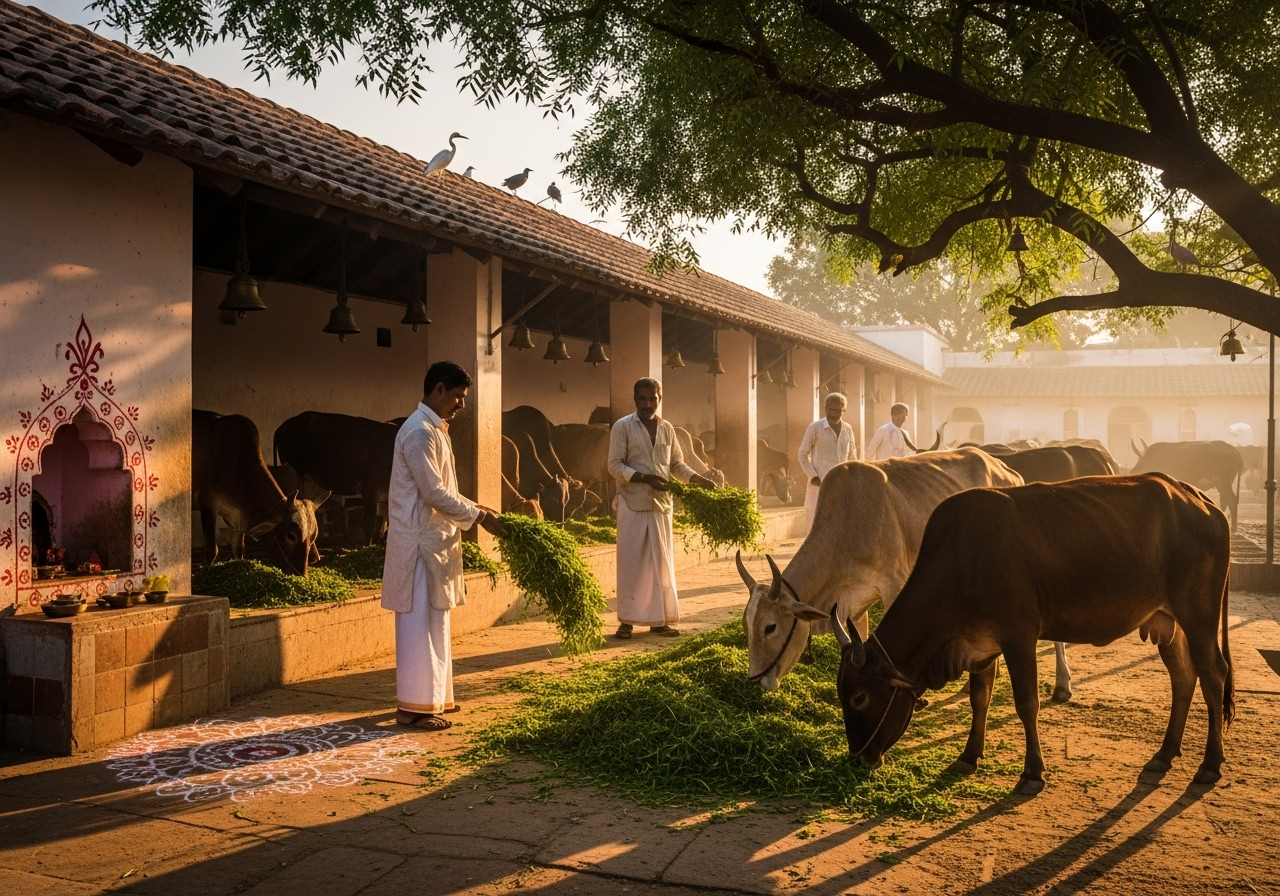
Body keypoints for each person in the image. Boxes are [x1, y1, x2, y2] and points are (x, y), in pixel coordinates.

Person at [382, 360, 505, 731]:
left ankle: (434, 698)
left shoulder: (435, 430)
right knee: (420, 626)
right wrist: (480, 518)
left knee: (436, 624)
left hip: (434, 542)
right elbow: (434, 493)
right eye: (457, 397)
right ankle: (413, 709)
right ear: (437, 390)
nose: (461, 404)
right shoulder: (419, 433)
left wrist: (477, 506)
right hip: (419, 546)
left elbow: (444, 490)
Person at [608, 377, 718, 639]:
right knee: (631, 563)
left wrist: (699, 478)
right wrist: (645, 478)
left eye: (652, 399)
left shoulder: (668, 428)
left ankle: (659, 621)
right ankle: (627, 622)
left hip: (661, 506)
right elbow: (614, 465)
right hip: (633, 503)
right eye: (642, 399)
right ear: (635, 400)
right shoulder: (622, 427)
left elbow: (676, 464)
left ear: (659, 399)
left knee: (660, 564)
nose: (647, 404)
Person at [797, 392, 859, 530]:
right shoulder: (815, 427)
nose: (834, 413)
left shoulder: (848, 429)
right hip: (820, 484)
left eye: (838, 410)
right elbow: (802, 454)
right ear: (825, 409)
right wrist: (813, 476)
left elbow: (852, 455)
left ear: (844, 410)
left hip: (842, 484)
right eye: (830, 409)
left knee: (841, 525)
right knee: (815, 526)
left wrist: (852, 477)